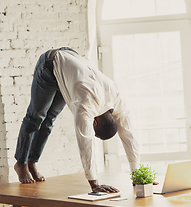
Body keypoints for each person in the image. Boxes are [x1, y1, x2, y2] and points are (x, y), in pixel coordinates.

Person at [14, 47, 139, 193]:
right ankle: (21, 163)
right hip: (49, 65)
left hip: (68, 70)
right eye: (95, 132)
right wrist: (94, 184)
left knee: (49, 120)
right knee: (36, 116)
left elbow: (129, 135)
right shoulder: (86, 104)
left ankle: (32, 161)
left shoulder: (117, 100)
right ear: (95, 122)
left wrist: (137, 176)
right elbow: (86, 141)